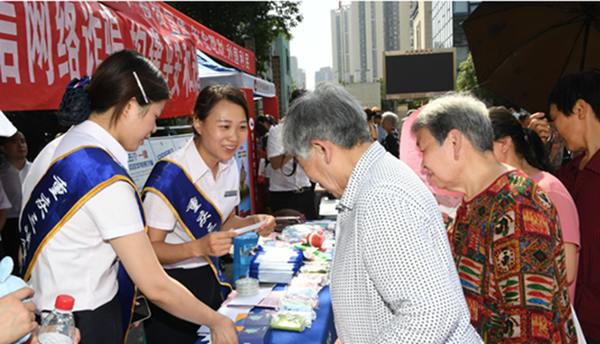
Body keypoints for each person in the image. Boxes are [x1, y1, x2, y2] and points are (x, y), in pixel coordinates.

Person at [20, 49, 238, 344]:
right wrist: (215, 320)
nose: (152, 129)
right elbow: (155, 285)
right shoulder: (104, 177)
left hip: (40, 319)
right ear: (131, 106)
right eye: (154, 116)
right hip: (85, 323)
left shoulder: (54, 151)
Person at [282, 83, 480, 343]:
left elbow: (431, 313)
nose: (311, 176)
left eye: (302, 161)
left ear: (321, 149)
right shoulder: (371, 179)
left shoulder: (381, 197)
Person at [412, 93, 577, 343]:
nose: (422, 165)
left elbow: (530, 329)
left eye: (424, 150)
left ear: (455, 142)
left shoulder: (517, 204)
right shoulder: (476, 201)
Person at [142, 84, 275, 344]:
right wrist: (198, 247)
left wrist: (252, 223)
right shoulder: (170, 176)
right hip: (172, 289)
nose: (234, 137)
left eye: (240, 127)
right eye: (224, 126)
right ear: (198, 123)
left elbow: (225, 222)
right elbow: (149, 250)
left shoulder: (230, 166)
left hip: (212, 279)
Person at [489, 106, 580, 302]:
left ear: (505, 144)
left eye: (483, 148)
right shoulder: (503, 191)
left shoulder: (549, 189)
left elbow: (568, 270)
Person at [549, 70, 600, 344]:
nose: (555, 129)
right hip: (570, 323)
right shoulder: (563, 178)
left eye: (556, 119)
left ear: (580, 109)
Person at [267, 89, 317, 219]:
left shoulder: (311, 131)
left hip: (306, 192)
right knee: (282, 237)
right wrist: (295, 146)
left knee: (311, 233)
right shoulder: (276, 132)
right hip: (283, 196)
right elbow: (276, 164)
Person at [0, 131, 31, 275]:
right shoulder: (1, 173)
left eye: (23, 141)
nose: (21, 145)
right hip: (9, 223)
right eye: (14, 142)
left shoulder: (36, 168)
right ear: (3, 148)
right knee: (12, 262)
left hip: (33, 220)